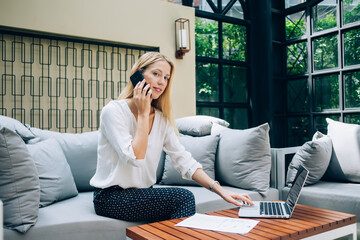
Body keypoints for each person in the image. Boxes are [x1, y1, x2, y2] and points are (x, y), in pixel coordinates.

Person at [89, 52, 253, 222]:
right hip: (109, 197)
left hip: (143, 192)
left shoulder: (161, 119)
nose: (161, 82)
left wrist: (220, 190)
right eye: (156, 74)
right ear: (138, 74)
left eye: (166, 78)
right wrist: (144, 114)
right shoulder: (113, 111)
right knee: (183, 197)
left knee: (178, 208)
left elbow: (184, 160)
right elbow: (135, 157)